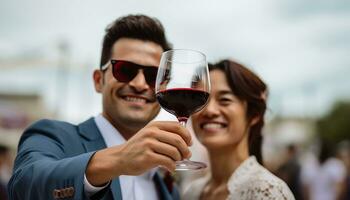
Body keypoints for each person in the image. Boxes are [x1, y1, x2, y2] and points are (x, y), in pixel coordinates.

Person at [8, 14, 192, 200]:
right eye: (124, 70)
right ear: (98, 80)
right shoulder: (53, 136)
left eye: (153, 75)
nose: (139, 84)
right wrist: (119, 159)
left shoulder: (167, 186)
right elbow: (24, 187)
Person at [182, 60, 295, 200]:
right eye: (200, 100)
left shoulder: (269, 192)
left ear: (254, 114)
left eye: (224, 100)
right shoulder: (192, 193)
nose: (210, 110)